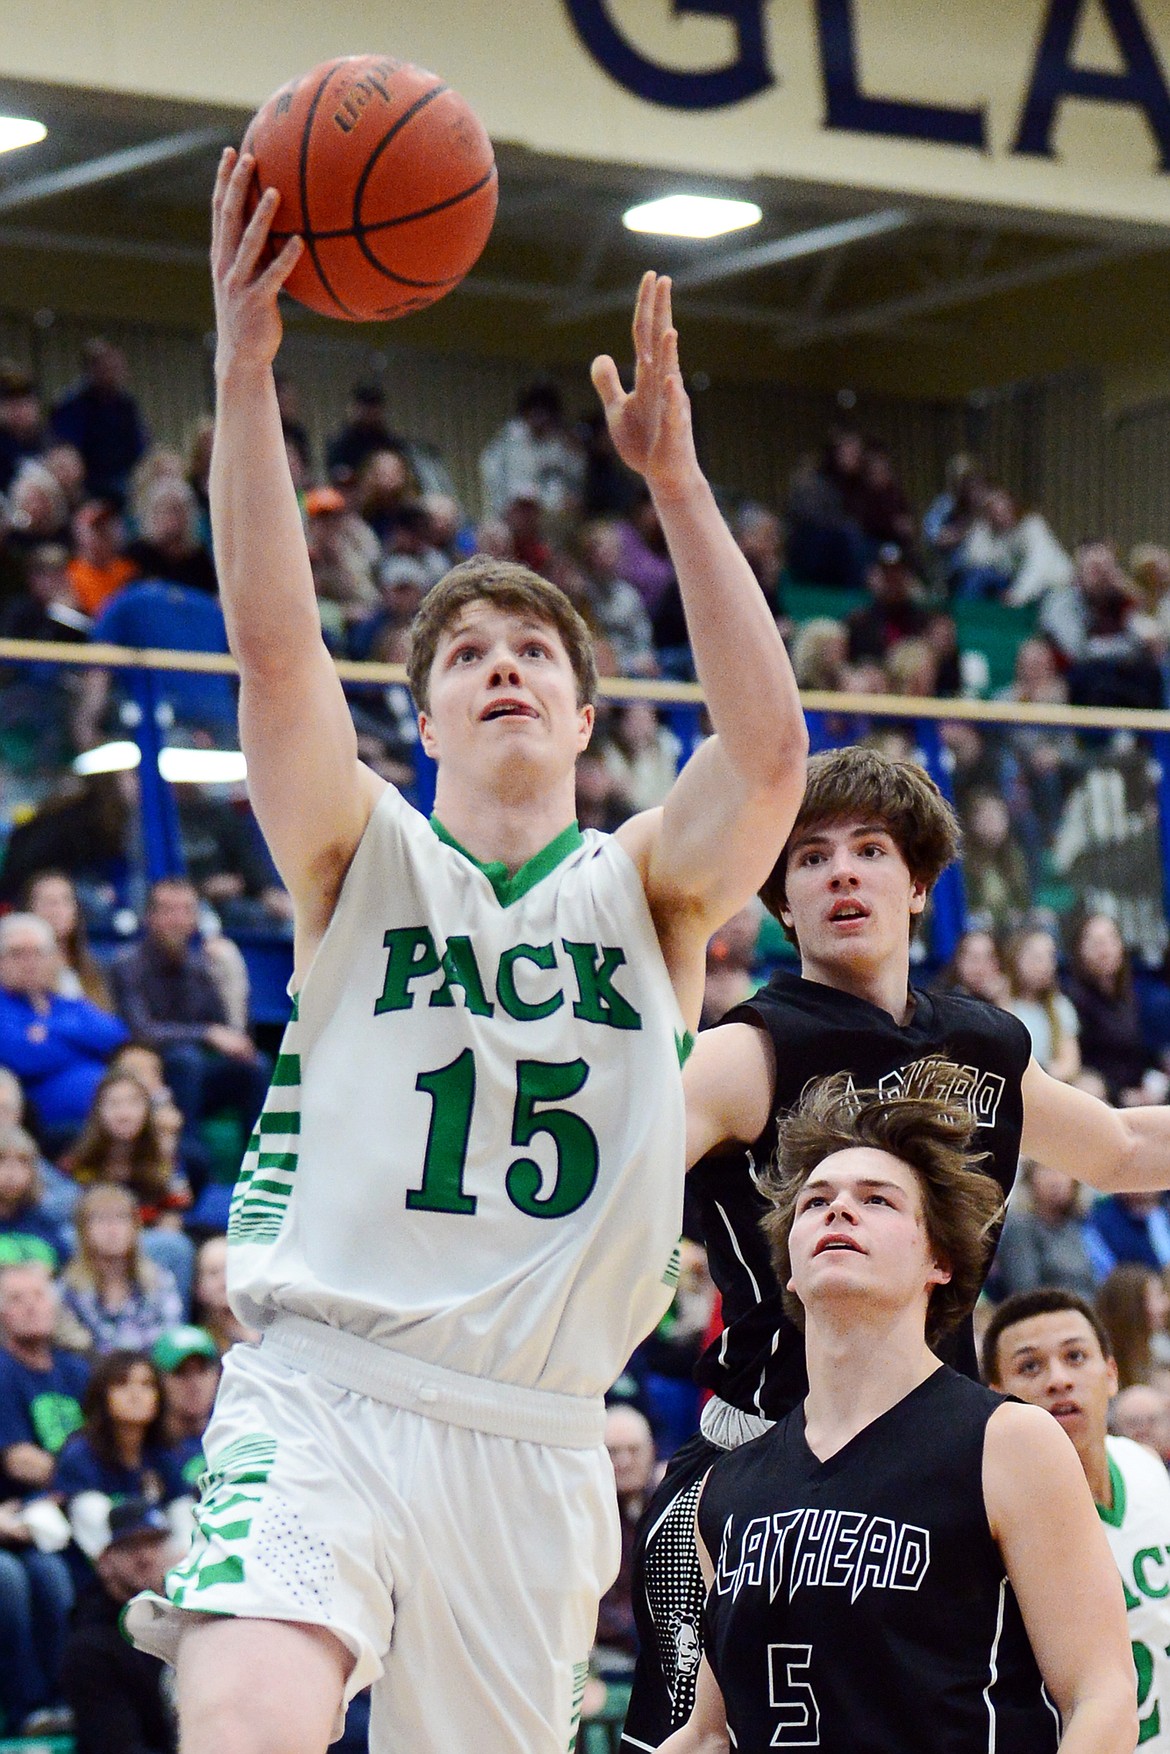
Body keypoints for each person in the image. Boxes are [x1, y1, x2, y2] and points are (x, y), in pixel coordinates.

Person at [122, 150, 807, 1754]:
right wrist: (242, 365)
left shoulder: (649, 888)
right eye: (469, 657)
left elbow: (770, 752)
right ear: (419, 717)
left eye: (534, 655)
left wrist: (677, 485)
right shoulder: (359, 852)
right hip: (326, 1388)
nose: (502, 668)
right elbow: (275, 647)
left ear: (582, 716)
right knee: (245, 1708)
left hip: (536, 1430)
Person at [624, 742, 1170, 1749]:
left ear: (917, 882)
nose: (842, 871)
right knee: (692, 1730)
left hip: (931, 1447)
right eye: (811, 855)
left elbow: (1126, 1143)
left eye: (870, 849)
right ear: (781, 898)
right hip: (756, 1448)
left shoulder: (983, 1046)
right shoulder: (749, 1051)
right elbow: (611, 1171)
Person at [662, 1073, 1134, 1754]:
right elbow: (709, 1736)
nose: (838, 1211)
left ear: (939, 1258)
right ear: (789, 1266)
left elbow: (1103, 1699)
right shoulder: (725, 1488)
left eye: (876, 1200)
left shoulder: (1010, 1444)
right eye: (815, 1202)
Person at [985, 1287, 1170, 1750]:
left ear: (1111, 1374)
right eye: (1029, 1366)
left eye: (1076, 1356)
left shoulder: (1144, 1465)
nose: (1058, 1380)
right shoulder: (988, 1520)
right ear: (994, 1397)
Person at [108, 878, 270, 1139]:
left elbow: (231, 1032)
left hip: (198, 1074)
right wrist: (206, 1034)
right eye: (168, 910)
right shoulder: (127, 964)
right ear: (150, 917)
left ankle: (260, 1160)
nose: (178, 919)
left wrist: (230, 979)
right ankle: (188, 1153)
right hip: (151, 1073)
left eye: (186, 910)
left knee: (255, 1066)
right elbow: (142, 1031)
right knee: (186, 1060)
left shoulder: (201, 967)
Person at [0, 913, 127, 1152]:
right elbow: (23, 1057)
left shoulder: (67, 1002)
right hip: (45, 1126)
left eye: (38, 952)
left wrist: (50, 1030)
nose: (29, 961)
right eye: (17, 953)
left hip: (106, 1117)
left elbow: (114, 1035)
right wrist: (83, 1047)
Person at [59, 1497, 178, 1754]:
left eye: (154, 1543)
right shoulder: (89, 1648)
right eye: (130, 1546)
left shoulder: (186, 1626)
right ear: (105, 1562)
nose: (145, 1556)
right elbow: (117, 1747)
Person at [55, 1351, 191, 1566]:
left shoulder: (163, 1455)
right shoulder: (80, 1455)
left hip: (160, 1573)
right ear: (102, 1394)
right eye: (122, 1384)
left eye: (147, 1385)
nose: (135, 1394)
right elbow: (98, 1542)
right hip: (96, 1578)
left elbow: (184, 1521)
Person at [59, 1186, 184, 1355]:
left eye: (121, 1218)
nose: (112, 1229)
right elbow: (73, 1348)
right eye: (101, 1219)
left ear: (136, 1227)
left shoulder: (159, 1281)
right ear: (83, 1231)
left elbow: (169, 1341)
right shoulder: (67, 1290)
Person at [1003, 925, 1081, 1084]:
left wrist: (1041, 1078)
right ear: (1015, 959)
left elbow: (1070, 1064)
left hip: (1050, 1088)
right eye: (1036, 957)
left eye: (1050, 957)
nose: (1045, 965)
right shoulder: (1002, 1004)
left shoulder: (1061, 1006)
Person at [150, 1325, 220, 1490]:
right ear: (158, 1381)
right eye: (181, 1373)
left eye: (202, 1371)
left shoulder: (234, 1433)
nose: (194, 1384)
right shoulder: (145, 1445)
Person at [0, 1124, 71, 1270]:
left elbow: (68, 1269)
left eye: (22, 1163)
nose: (11, 1173)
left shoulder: (46, 1222)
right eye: (2, 1161)